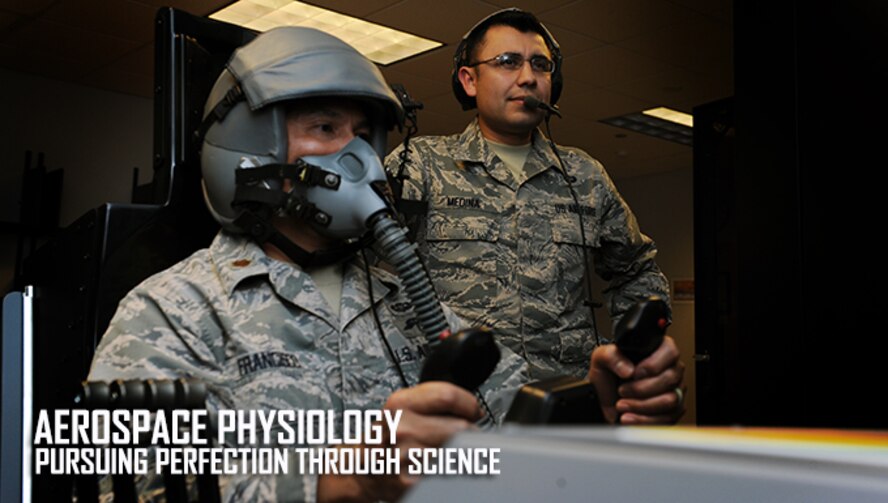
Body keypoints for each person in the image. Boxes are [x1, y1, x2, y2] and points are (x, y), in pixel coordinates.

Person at [89, 27, 526, 502]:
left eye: (363, 136)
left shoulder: (408, 305)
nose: (359, 156)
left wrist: (598, 407)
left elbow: (522, 426)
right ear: (252, 147)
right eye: (325, 128)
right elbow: (127, 487)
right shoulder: (172, 312)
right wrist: (336, 480)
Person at [385, 8, 684, 424]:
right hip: (457, 415)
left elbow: (636, 271)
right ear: (469, 81)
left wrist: (635, 353)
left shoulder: (584, 175)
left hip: (568, 410)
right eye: (508, 62)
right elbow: (362, 272)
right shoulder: (420, 164)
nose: (528, 77)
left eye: (540, 65)